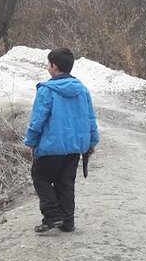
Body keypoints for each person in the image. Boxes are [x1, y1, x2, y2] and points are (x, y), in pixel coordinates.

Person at [23, 47, 99, 234]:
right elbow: (90, 118)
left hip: (50, 146)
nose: (48, 67)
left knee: (40, 177)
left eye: (49, 64)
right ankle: (68, 222)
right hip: (74, 148)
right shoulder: (82, 90)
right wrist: (92, 142)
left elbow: (38, 119)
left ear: (55, 67)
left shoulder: (47, 90)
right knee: (66, 183)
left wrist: (31, 141)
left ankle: (52, 215)